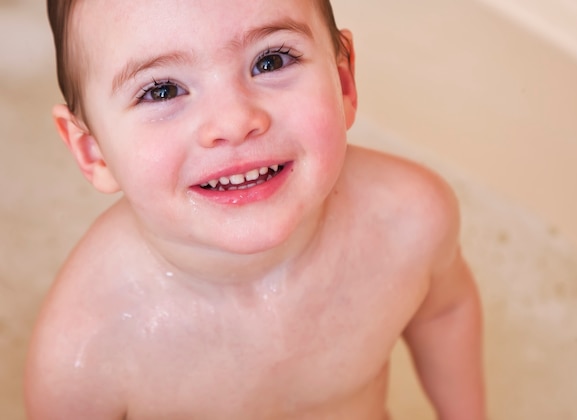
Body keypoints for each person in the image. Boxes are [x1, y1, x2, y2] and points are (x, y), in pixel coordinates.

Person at [25, 0, 485, 419]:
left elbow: (444, 313)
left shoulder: (408, 220)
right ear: (93, 152)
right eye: (162, 91)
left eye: (271, 61)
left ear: (343, 82)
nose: (234, 121)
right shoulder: (85, 353)